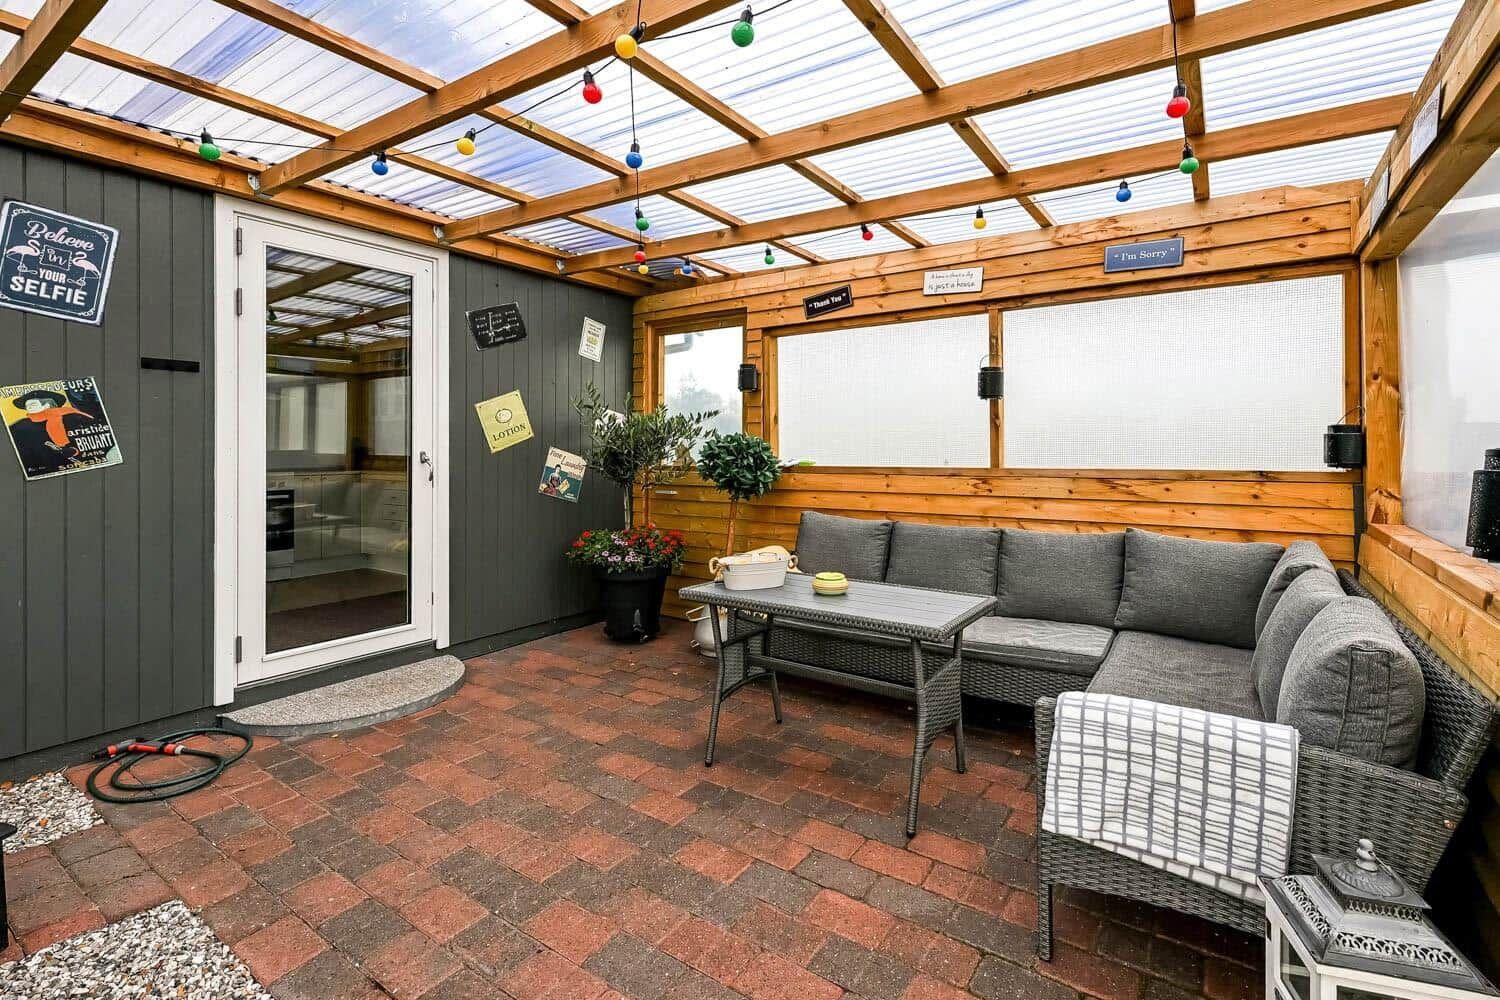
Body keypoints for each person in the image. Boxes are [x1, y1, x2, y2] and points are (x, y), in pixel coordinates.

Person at [8, 387, 97, 476]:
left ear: (47, 405)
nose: (28, 407)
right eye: (27, 405)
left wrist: (74, 450)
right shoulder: (20, 425)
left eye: (33, 404)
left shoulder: (72, 417)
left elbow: (91, 437)